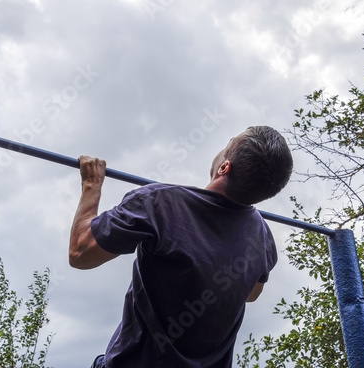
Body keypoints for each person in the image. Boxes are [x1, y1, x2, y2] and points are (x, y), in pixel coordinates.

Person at [69, 126, 293, 368]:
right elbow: (251, 294)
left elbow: (80, 253)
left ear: (224, 167)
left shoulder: (158, 202)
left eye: (228, 144)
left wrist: (91, 185)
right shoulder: (263, 239)